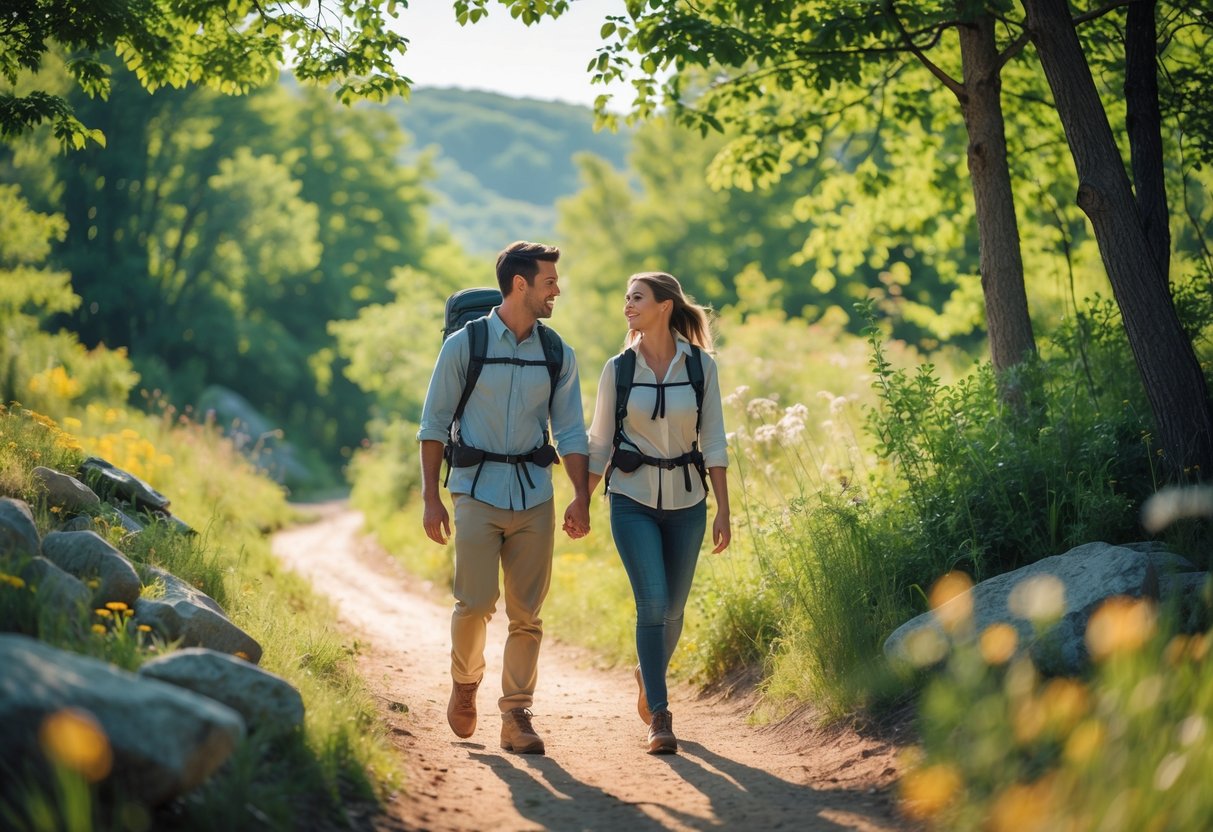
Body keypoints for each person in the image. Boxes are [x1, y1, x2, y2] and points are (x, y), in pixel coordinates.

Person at [418, 241, 591, 756]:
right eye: (549, 282)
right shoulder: (464, 346)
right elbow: (432, 425)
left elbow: (572, 433)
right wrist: (432, 498)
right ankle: (465, 684)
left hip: (535, 495)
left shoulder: (557, 352)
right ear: (521, 284)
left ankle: (517, 714)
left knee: (527, 615)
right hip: (473, 491)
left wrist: (581, 497)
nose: (557, 290)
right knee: (474, 605)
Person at [587, 271, 731, 754]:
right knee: (651, 604)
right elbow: (600, 440)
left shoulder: (701, 367)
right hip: (632, 497)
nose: (627, 306)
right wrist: (580, 498)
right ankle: (662, 717)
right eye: (625, 298)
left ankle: (647, 677)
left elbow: (713, 440)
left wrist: (724, 509)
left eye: (636, 298)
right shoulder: (618, 368)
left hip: (689, 501)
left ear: (664, 305)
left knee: (673, 610)